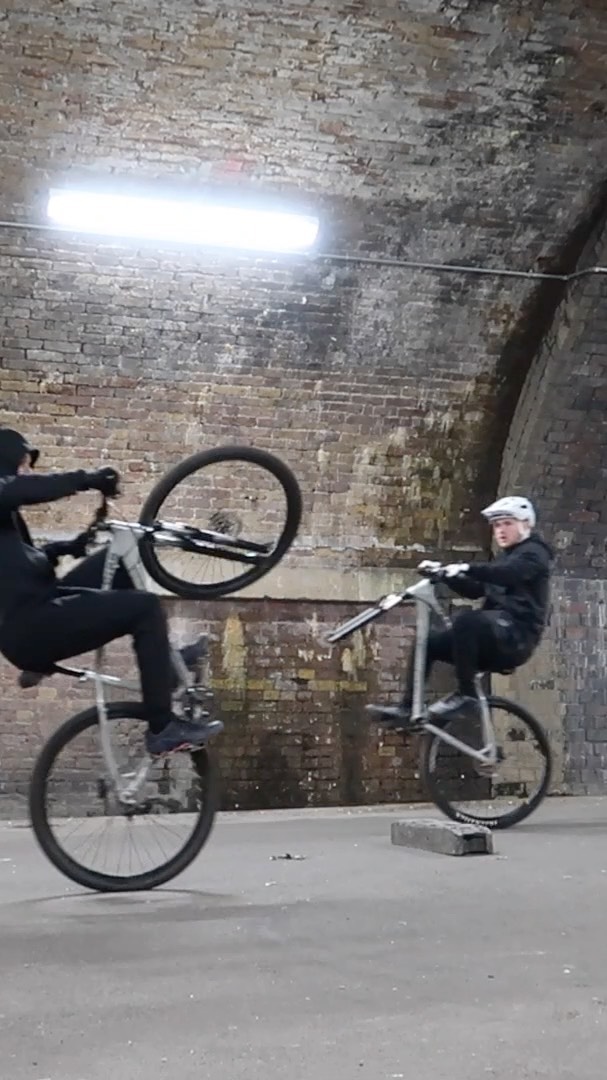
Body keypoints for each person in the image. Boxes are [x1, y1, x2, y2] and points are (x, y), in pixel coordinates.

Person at [0, 427, 222, 756]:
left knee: (118, 558)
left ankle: (164, 664)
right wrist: (87, 479)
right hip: (32, 626)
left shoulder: (7, 520)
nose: (27, 472)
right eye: (22, 465)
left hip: (40, 606)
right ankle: (162, 729)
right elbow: (23, 489)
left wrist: (66, 547)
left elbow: (18, 565)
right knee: (145, 607)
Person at [367, 495, 554, 729]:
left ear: (526, 524)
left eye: (507, 523)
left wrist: (467, 567)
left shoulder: (535, 553)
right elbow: (475, 590)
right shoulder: (506, 557)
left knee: (467, 621)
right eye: (496, 525)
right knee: (428, 642)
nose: (500, 530)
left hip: (516, 637)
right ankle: (409, 707)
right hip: (494, 635)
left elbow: (507, 573)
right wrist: (444, 575)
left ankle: (467, 696)